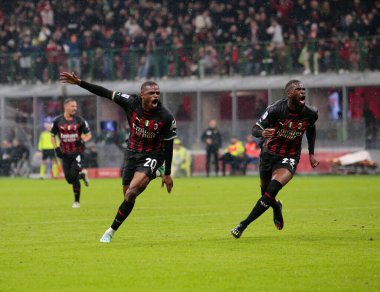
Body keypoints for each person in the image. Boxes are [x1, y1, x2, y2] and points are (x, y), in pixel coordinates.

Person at [59, 71, 177, 244]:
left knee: (131, 192)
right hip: (132, 152)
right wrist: (79, 83)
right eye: (151, 93)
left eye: (157, 93)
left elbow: (169, 145)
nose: (155, 96)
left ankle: (110, 231)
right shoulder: (130, 102)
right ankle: (154, 173)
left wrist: (167, 173)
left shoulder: (165, 117)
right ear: (142, 95)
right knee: (128, 196)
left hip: (153, 155)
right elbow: (104, 92)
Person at [231, 80, 319, 239]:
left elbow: (311, 129)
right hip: (268, 154)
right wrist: (261, 133)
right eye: (298, 89)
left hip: (290, 156)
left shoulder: (311, 112)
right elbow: (255, 129)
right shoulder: (275, 109)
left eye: (303, 89)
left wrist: (311, 153)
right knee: (265, 193)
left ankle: (243, 224)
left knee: (271, 190)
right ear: (289, 93)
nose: (302, 92)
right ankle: (276, 207)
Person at [50, 98, 92, 208]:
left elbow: (89, 135)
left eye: (76, 106)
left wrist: (83, 140)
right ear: (66, 107)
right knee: (69, 179)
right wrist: (56, 148)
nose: (75, 108)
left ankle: (77, 202)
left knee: (74, 175)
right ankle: (82, 175)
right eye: (73, 106)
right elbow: (52, 136)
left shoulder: (80, 120)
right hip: (65, 154)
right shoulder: (57, 121)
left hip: (78, 152)